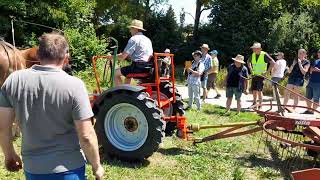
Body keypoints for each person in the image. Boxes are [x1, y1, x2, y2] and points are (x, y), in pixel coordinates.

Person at [0, 33, 104, 179]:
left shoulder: (13, 81)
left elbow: (3, 128)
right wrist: (97, 166)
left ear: (37, 53)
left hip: (33, 169)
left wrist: (10, 155)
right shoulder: (75, 85)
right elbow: (86, 136)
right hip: (70, 169)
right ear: (66, 57)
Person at [105, 19, 153, 86]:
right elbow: (132, 55)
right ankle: (126, 91)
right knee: (127, 75)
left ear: (135, 29)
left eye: (131, 28)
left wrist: (111, 57)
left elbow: (122, 57)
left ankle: (121, 94)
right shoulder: (147, 39)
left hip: (138, 67)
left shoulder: (134, 39)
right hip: (148, 67)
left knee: (115, 73)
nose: (130, 30)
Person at [247, 42, 275, 109]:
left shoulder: (264, 54)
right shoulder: (253, 55)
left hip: (261, 76)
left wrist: (267, 72)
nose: (253, 50)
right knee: (254, 90)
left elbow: (273, 63)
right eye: (253, 48)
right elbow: (248, 61)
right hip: (254, 75)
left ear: (259, 49)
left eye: (255, 48)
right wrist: (250, 69)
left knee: (259, 91)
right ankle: (254, 103)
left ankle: (260, 105)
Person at [304, 49, 320, 114]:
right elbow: (310, 70)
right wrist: (312, 69)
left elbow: (315, 69)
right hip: (311, 81)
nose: (319, 53)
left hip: (318, 83)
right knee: (308, 97)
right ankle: (309, 110)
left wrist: (317, 70)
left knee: (316, 98)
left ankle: (313, 111)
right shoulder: (315, 61)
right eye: (318, 52)